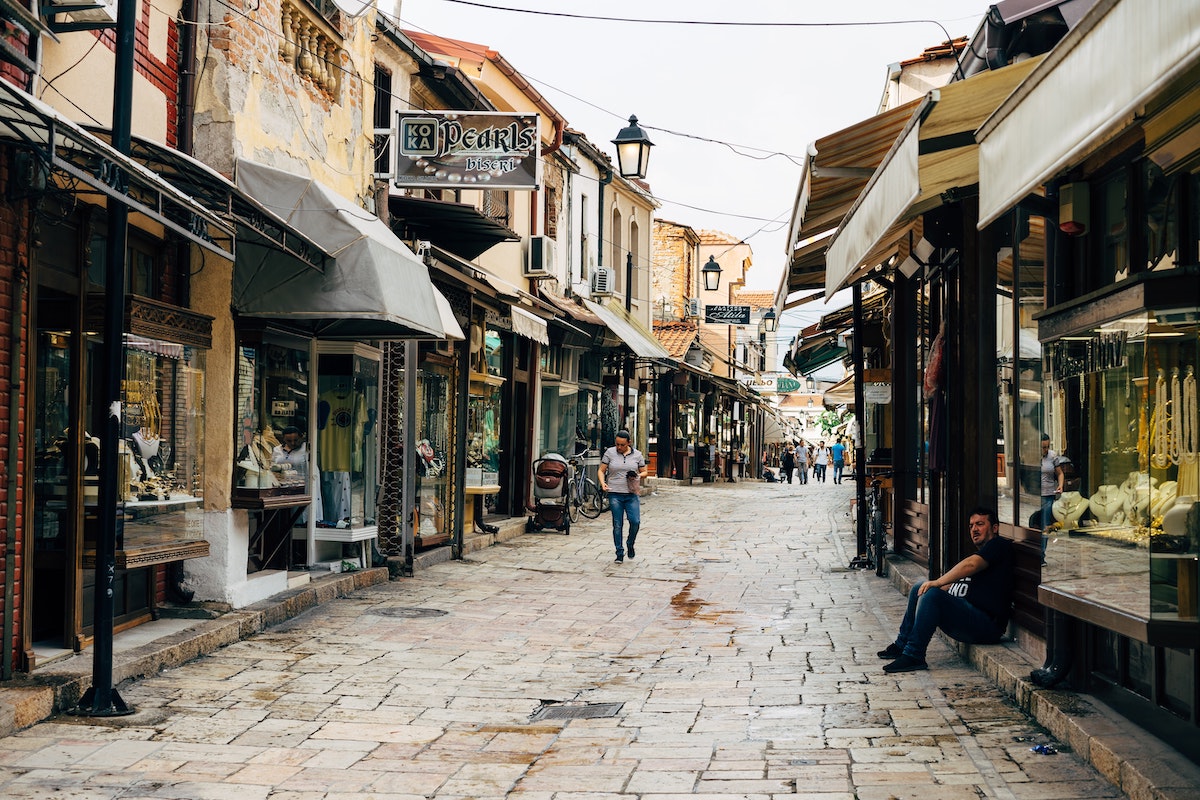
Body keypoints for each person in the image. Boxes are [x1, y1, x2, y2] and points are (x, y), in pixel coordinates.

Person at [878, 506, 1015, 673]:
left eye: (980, 524)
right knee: (919, 588)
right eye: (971, 526)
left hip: (987, 626)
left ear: (995, 528)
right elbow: (964, 582)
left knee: (932, 593)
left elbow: (971, 564)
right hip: (971, 617)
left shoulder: (999, 545)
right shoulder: (987, 553)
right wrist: (937, 586)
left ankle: (914, 655)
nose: (974, 529)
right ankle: (902, 645)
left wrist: (937, 583)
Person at [598, 430, 648, 563]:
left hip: (631, 493)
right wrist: (603, 483)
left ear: (629, 443)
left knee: (635, 521)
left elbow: (644, 472)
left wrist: (637, 475)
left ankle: (630, 543)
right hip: (615, 493)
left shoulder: (637, 455)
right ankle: (619, 552)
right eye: (617, 444)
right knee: (617, 523)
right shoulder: (610, 453)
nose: (619, 447)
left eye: (622, 445)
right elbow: (601, 470)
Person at [1039, 433, 1065, 531]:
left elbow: (1060, 473)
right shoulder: (1031, 456)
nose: (1045, 450)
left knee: (1046, 524)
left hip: (1048, 494)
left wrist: (1060, 485)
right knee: (1036, 523)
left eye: (1047, 447)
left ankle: (1044, 544)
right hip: (1036, 494)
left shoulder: (1052, 456)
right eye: (1043, 447)